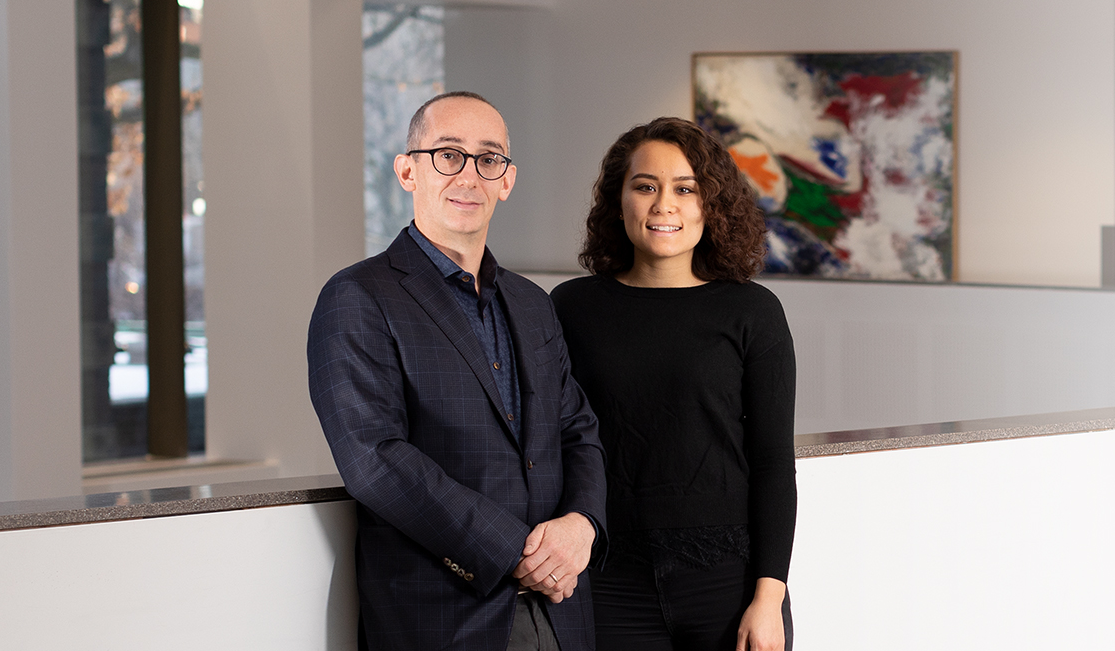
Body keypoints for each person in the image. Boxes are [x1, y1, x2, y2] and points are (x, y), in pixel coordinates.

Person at [308, 92, 607, 651]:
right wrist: (518, 554)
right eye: (448, 154)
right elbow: (375, 460)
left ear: (507, 180)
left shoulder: (531, 303)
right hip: (443, 618)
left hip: (563, 613)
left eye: (487, 159)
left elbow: (577, 432)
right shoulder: (357, 297)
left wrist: (582, 526)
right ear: (407, 170)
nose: (468, 175)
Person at [550, 117, 797, 651]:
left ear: (711, 206)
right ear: (620, 202)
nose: (665, 205)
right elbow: (554, 445)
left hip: (729, 585)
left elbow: (774, 462)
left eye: (685, 189)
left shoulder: (753, 312)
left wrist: (769, 597)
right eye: (646, 187)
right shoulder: (571, 308)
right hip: (608, 580)